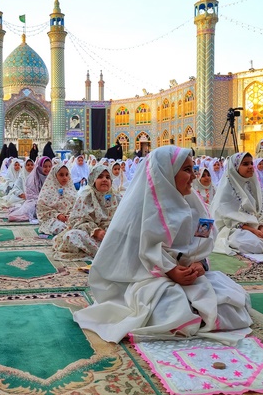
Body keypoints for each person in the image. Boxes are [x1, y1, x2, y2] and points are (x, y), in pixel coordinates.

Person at [73, 146, 252, 343]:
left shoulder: (193, 203)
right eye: (186, 170)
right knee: (171, 306)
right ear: (166, 173)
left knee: (228, 303)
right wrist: (170, 270)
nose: (194, 176)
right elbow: (131, 262)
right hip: (149, 280)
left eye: (192, 169)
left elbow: (202, 242)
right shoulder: (140, 210)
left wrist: (200, 264)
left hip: (190, 276)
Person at [212, 152, 263, 255]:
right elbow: (228, 220)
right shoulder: (226, 190)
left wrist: (262, 228)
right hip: (236, 229)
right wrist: (254, 230)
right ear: (235, 167)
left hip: (258, 226)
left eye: (251, 163)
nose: (250, 167)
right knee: (250, 243)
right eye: (245, 164)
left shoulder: (254, 185)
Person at [52, 164, 120, 260]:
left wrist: (110, 230)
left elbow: (123, 220)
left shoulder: (117, 198)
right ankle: (105, 253)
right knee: (71, 236)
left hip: (110, 234)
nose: (104, 179)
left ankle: (105, 251)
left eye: (108, 177)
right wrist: (95, 231)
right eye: (100, 177)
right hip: (90, 235)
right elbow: (78, 221)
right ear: (93, 180)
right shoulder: (85, 197)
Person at [7, 156, 52, 222]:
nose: (48, 169)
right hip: (33, 200)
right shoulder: (30, 178)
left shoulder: (52, 177)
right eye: (28, 165)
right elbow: (29, 194)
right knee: (33, 207)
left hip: (47, 200)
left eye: (50, 166)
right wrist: (22, 195)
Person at [37, 164, 76, 236]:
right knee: (61, 227)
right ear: (54, 176)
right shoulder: (47, 191)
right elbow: (42, 209)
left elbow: (75, 207)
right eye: (61, 175)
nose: (65, 178)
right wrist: (57, 215)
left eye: (67, 175)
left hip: (69, 218)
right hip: (52, 219)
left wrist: (69, 215)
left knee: (79, 225)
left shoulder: (71, 190)